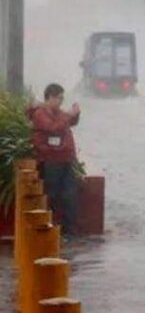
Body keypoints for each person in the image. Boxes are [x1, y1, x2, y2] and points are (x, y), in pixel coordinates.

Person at [28, 83, 81, 235]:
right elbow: (53, 127)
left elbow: (70, 122)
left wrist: (75, 114)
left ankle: (70, 230)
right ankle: (50, 229)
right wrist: (69, 115)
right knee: (52, 194)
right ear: (49, 97)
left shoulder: (58, 112)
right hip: (50, 158)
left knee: (70, 193)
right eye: (58, 98)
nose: (61, 102)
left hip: (65, 157)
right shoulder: (40, 113)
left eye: (62, 98)